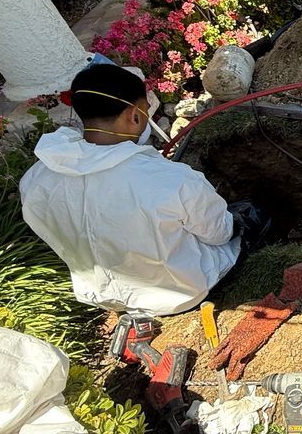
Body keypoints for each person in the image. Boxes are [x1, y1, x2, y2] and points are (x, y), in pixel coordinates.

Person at [20, 63, 241, 316]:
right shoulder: (172, 181)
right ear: (134, 116)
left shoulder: (35, 179)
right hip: (182, 291)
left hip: (104, 294)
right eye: (146, 110)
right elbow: (220, 234)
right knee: (243, 218)